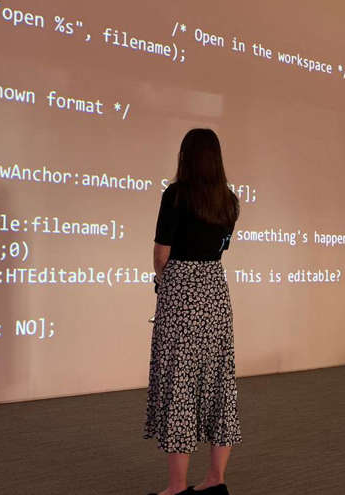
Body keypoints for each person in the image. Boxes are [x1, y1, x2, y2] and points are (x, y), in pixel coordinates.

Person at [144, 128, 242, 495]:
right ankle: (216, 479)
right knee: (219, 382)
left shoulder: (176, 195)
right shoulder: (230, 201)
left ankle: (177, 486)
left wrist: (164, 280)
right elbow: (220, 248)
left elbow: (161, 255)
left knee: (180, 382)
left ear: (186, 156)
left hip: (181, 290)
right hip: (215, 289)